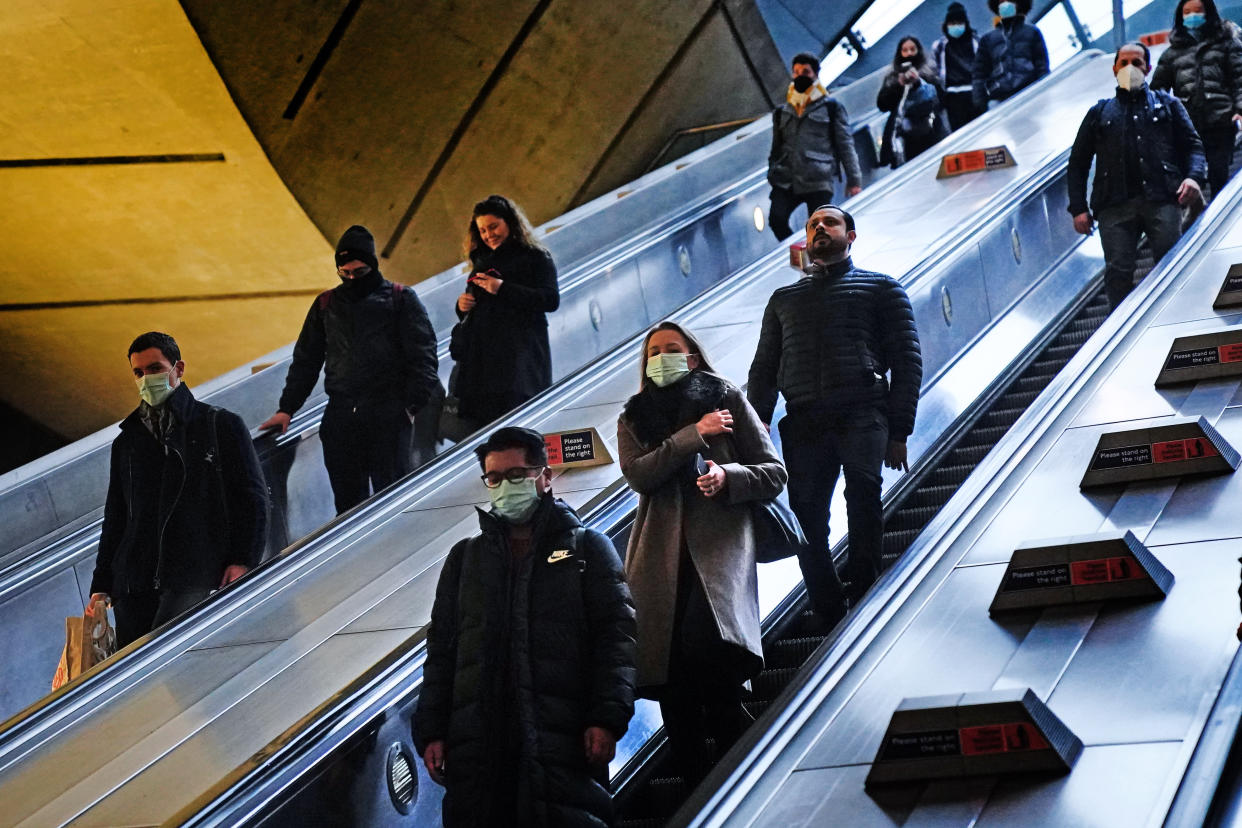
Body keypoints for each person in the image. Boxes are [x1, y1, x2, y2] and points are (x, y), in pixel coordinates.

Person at [414, 426, 636, 827]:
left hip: (562, 740)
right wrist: (432, 730)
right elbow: (442, 651)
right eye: (494, 478)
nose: (504, 486)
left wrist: (606, 717)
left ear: (545, 477)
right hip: (481, 747)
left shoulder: (587, 549)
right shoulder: (465, 560)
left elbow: (616, 640)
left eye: (517, 475)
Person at [617, 321, 786, 785]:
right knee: (673, 684)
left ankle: (739, 787)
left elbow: (773, 471)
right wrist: (694, 434)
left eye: (673, 349)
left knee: (716, 669)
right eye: (654, 351)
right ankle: (697, 794)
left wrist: (729, 476)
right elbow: (639, 475)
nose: (662, 357)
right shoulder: (634, 415)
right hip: (658, 560)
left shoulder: (725, 396)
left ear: (692, 356)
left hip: (718, 554)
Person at [747, 206, 922, 623]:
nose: (820, 228)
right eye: (812, 226)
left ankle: (864, 591)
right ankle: (828, 607)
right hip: (805, 421)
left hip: (863, 413)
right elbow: (764, 369)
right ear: (806, 241)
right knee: (806, 516)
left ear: (851, 235)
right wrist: (755, 433)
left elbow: (908, 362)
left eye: (830, 223)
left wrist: (900, 430)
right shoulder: (784, 300)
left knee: (863, 493)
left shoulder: (881, 289)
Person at [90, 332, 269, 648]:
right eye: (139, 372)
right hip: (133, 583)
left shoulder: (219, 425)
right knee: (133, 680)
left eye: (156, 368)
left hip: (193, 572)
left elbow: (252, 498)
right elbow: (116, 516)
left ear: (179, 369)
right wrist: (102, 583)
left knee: (167, 662)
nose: (147, 379)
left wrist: (243, 558)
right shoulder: (127, 442)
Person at [260, 225, 439, 514]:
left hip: (388, 415)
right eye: (345, 273)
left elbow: (424, 357)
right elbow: (307, 359)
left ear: (372, 265)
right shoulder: (325, 304)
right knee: (347, 506)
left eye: (359, 271)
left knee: (393, 500)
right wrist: (287, 408)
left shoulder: (401, 298)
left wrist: (410, 406)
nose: (352, 278)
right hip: (341, 417)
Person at [1067, 43, 1206, 309]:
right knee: (1118, 270)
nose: (1130, 68)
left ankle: (1177, 315)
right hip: (1114, 206)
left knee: (1171, 263)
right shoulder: (1099, 113)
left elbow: (1193, 146)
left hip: (1162, 198)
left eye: (1137, 62)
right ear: (1114, 68)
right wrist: (1078, 208)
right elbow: (1078, 164)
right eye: (1124, 63)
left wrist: (1194, 178)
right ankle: (1119, 328)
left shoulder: (1168, 105)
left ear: (1148, 68)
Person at [450, 195, 561, 434]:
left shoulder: (535, 257)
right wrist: (462, 306)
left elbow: (550, 300)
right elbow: (475, 312)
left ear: (510, 222)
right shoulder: (481, 262)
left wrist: (501, 288)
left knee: (519, 427)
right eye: (482, 230)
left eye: (493, 226)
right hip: (483, 365)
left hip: (519, 361)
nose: (489, 234)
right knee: (486, 431)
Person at [1150, 0, 1242, 201]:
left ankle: (1218, 208)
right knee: (1194, 169)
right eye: (1187, 12)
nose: (1192, 16)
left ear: (1208, 13)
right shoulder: (1172, 54)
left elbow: (1239, 79)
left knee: (1219, 168)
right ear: (1180, 17)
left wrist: (1240, 109)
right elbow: (1157, 90)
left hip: (1221, 120)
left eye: (1198, 11)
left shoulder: (1227, 43)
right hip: (1190, 124)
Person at [767, 52, 864, 241]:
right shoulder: (782, 111)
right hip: (787, 179)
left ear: (816, 74)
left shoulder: (831, 107)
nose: (800, 75)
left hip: (818, 178)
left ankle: (819, 262)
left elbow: (845, 144)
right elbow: (775, 148)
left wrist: (854, 180)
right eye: (796, 72)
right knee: (776, 219)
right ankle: (801, 254)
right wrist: (772, 171)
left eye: (806, 71)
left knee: (819, 229)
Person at [877, 36, 949, 168]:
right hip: (909, 135)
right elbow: (882, 104)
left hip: (933, 128)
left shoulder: (929, 71)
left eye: (912, 49)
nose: (909, 54)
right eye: (905, 50)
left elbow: (942, 97)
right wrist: (899, 85)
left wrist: (920, 83)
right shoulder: (893, 77)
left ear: (918, 50)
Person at [972, 0, 1049, 112]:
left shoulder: (1032, 32)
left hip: (1031, 89)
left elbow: (1041, 64)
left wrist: (1045, 86)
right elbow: (979, 73)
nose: (1005, 4)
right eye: (1001, 1)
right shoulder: (988, 39)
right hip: (1001, 98)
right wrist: (980, 101)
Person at [931, 2, 982, 130]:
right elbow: (935, 70)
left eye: (959, 22)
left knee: (981, 131)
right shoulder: (940, 45)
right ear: (946, 25)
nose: (955, 26)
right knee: (960, 134)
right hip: (953, 97)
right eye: (952, 23)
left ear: (965, 23)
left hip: (974, 93)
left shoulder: (975, 41)